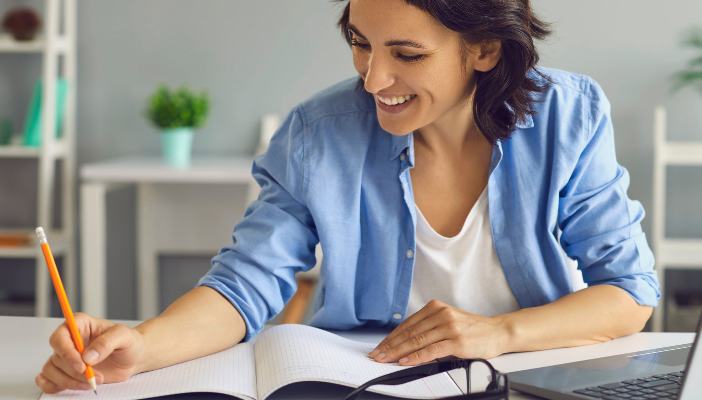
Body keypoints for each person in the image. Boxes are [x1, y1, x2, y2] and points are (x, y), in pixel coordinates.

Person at [36, 0, 659, 393]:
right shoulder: (318, 132)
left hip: (523, 375)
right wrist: (140, 346)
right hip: (363, 380)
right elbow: (243, 286)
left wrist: (495, 333)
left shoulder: (567, 115)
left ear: (485, 49)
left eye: (406, 54)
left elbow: (630, 293)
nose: (373, 78)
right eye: (360, 41)